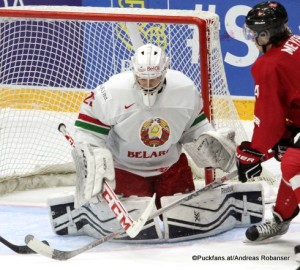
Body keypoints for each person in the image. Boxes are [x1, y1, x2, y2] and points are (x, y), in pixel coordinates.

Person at [47, 43, 263, 242]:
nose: (148, 85)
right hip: (126, 169)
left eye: (154, 79)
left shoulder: (185, 90)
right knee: (142, 222)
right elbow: (88, 131)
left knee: (181, 215)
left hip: (170, 167)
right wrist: (93, 155)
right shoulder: (111, 92)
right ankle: (87, 212)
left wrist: (208, 139)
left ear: (165, 71)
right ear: (133, 71)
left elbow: (194, 128)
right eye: (142, 79)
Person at [236, 1, 300, 241]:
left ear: (266, 34)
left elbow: (269, 117)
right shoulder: (295, 41)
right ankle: (282, 218)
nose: (252, 38)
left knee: (293, 163)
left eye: (255, 33)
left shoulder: (269, 64)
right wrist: (287, 134)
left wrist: (254, 151)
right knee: (293, 156)